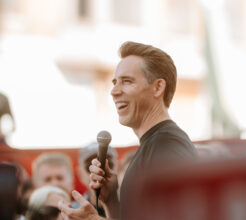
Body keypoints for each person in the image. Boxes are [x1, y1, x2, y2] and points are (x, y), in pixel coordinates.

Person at [58, 41, 198, 219]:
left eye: (127, 81)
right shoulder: (156, 144)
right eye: (115, 82)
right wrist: (111, 202)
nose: (114, 91)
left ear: (158, 87)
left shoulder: (166, 146)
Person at [75, 143, 118, 216]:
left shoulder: (136, 206)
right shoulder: (72, 211)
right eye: (90, 166)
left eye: (108, 164)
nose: (99, 170)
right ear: (80, 174)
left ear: (118, 168)